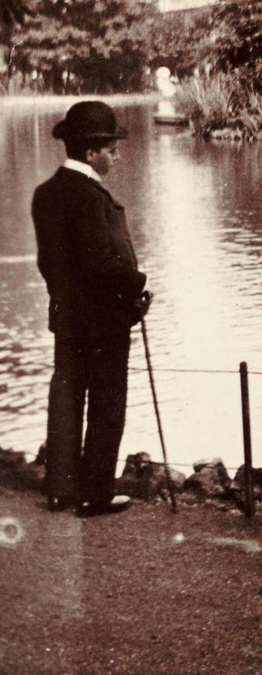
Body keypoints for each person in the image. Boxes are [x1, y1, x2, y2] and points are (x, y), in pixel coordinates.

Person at [30, 101, 150, 516]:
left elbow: (49, 264)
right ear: (90, 151)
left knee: (65, 398)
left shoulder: (46, 194)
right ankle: (94, 494)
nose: (117, 155)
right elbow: (100, 264)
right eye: (111, 148)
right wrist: (137, 286)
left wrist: (65, 298)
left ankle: (60, 490)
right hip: (104, 322)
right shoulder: (91, 197)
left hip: (66, 317)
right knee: (106, 403)